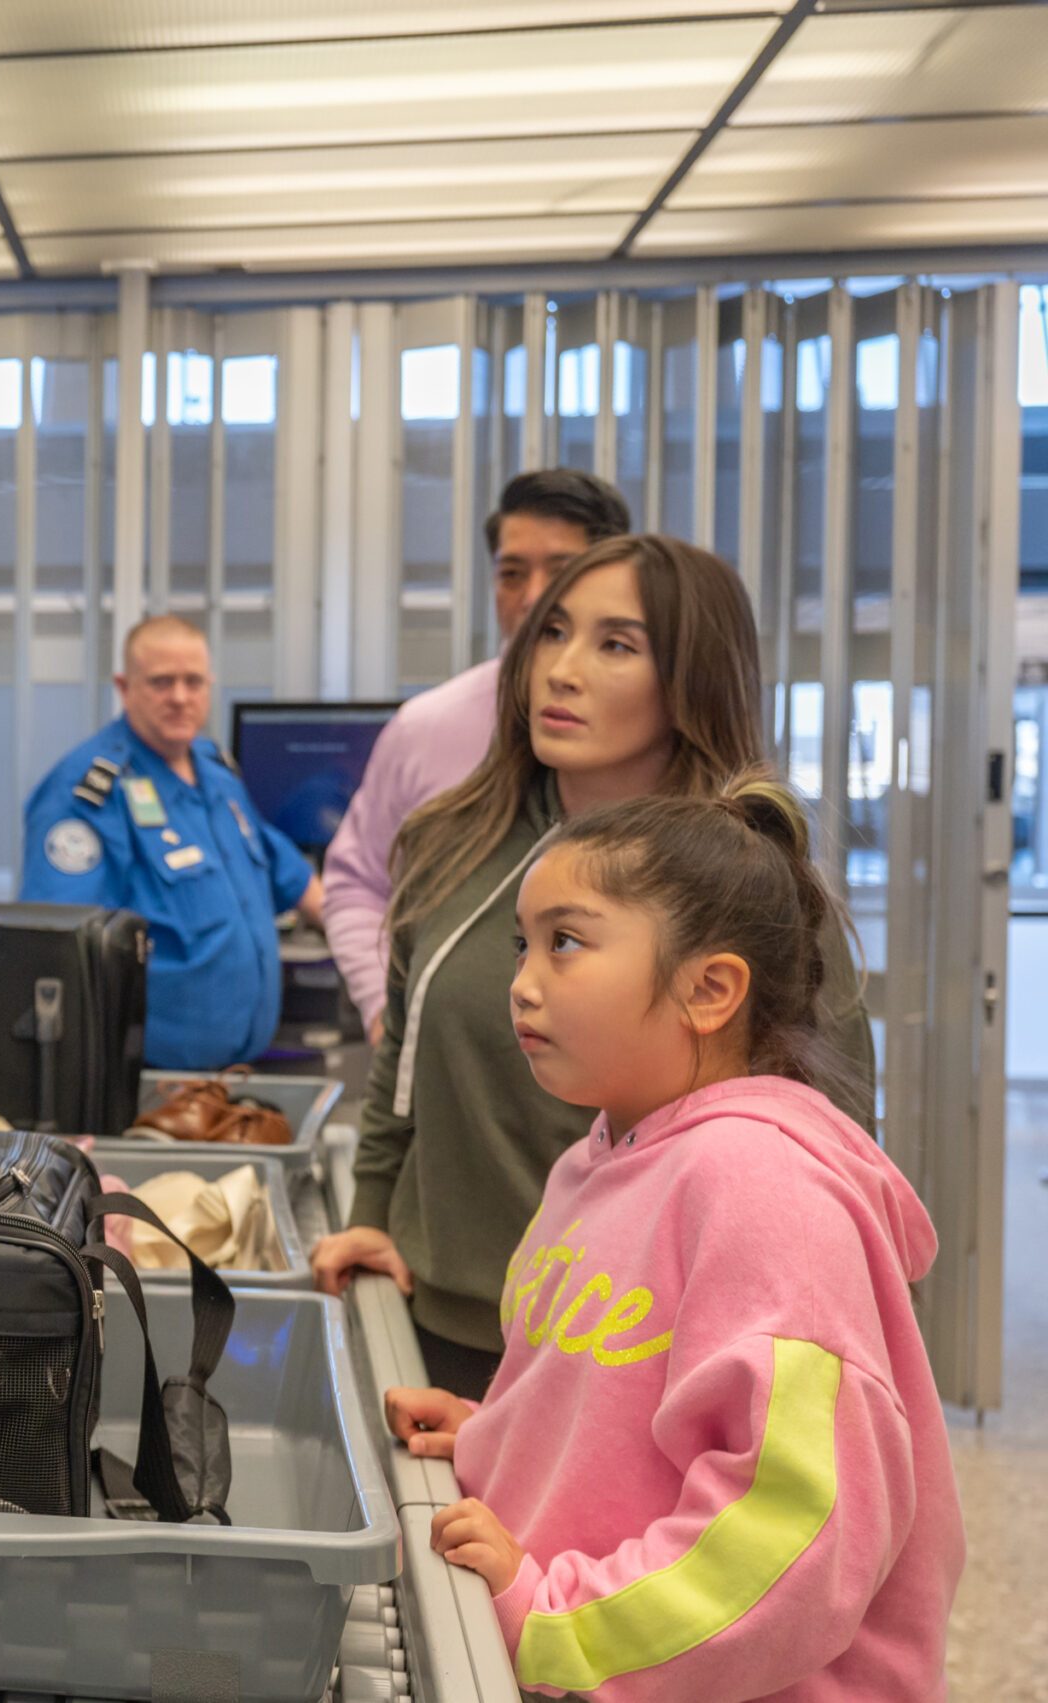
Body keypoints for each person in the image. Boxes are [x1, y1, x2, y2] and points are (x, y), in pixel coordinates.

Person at [385, 780, 962, 1699]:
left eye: (566, 943)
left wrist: (551, 1615)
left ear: (709, 990)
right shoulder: (606, 1155)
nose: (522, 983)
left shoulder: (761, 1187)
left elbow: (789, 1537)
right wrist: (507, 1437)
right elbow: (633, 1405)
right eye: (521, 945)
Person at [308, 535, 874, 1398]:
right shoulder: (453, 839)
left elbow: (830, 1146)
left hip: (638, 1356)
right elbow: (407, 1051)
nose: (561, 670)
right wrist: (372, 1215)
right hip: (442, 1314)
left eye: (616, 644)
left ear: (692, 679)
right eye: (553, 633)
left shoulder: (746, 886)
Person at [321, 470, 631, 1042]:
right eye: (512, 573)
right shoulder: (426, 728)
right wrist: (382, 1010)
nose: (533, 595)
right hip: (453, 1077)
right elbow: (356, 882)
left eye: (561, 570)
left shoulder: (649, 731)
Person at [20, 614, 324, 1072]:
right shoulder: (87, 794)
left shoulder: (215, 770)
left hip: (232, 1076)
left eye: (193, 681)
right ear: (124, 687)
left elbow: (292, 878)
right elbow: (58, 949)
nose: (180, 698)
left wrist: (381, 962)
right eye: (162, 682)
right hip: (145, 1083)